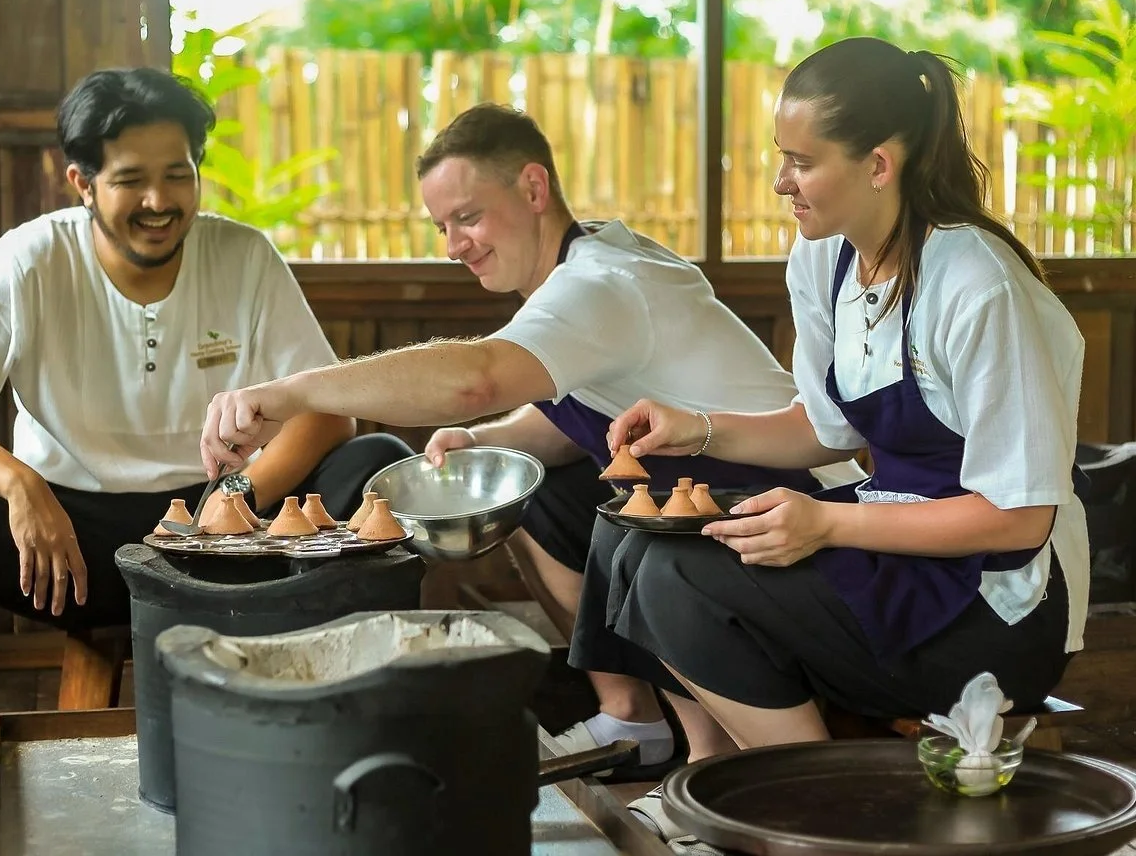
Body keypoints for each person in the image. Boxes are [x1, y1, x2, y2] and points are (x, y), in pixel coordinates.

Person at [0, 67, 411, 854]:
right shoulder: (30, 259)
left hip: (223, 540)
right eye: (131, 180)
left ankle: (357, 725)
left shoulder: (243, 256)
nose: (159, 201)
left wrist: (235, 497)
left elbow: (327, 413)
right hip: (63, 543)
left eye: (179, 174)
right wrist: (17, 482)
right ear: (81, 181)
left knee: (377, 463)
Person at [196, 102, 862, 782]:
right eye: (442, 227)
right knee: (522, 482)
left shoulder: (601, 283)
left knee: (641, 537)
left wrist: (293, 393)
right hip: (712, 489)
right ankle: (633, 717)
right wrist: (483, 439)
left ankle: (727, 761)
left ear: (534, 188)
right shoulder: (580, 266)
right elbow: (581, 418)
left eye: (468, 217)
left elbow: (475, 379)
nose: (454, 245)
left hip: (801, 502)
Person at [598, 37, 1090, 840]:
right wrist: (700, 429)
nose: (780, 182)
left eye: (801, 161)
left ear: (879, 165)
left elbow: (1019, 516)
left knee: (680, 578)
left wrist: (828, 523)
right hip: (892, 541)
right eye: (780, 157)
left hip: (997, 602)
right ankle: (729, 785)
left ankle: (821, 818)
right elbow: (825, 428)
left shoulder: (976, 284)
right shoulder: (824, 257)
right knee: (631, 540)